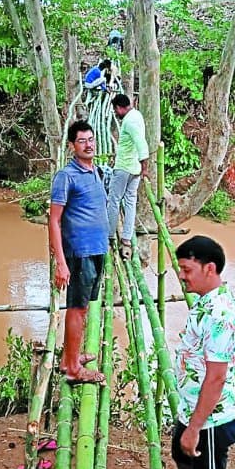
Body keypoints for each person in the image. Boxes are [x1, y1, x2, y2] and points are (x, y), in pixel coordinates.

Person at [156, 236, 235, 469]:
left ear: (210, 268)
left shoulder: (219, 315)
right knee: (181, 454)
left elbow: (216, 378)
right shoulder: (208, 300)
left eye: (186, 270)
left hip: (211, 418)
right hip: (193, 407)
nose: (181, 277)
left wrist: (195, 428)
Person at [49, 121, 108, 384]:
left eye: (91, 139)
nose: (89, 145)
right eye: (82, 141)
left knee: (83, 307)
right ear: (72, 146)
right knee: (77, 309)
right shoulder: (66, 176)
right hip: (80, 253)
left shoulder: (95, 171)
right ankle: (73, 369)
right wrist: (61, 263)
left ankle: (68, 357)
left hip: (98, 249)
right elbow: (53, 220)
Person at [106, 94, 149, 260]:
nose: (116, 114)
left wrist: (145, 167)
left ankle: (110, 234)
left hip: (124, 167)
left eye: (116, 110)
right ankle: (126, 237)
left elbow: (141, 143)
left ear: (119, 108)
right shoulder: (137, 115)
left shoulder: (129, 121)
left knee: (114, 199)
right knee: (130, 200)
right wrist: (141, 168)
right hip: (134, 169)